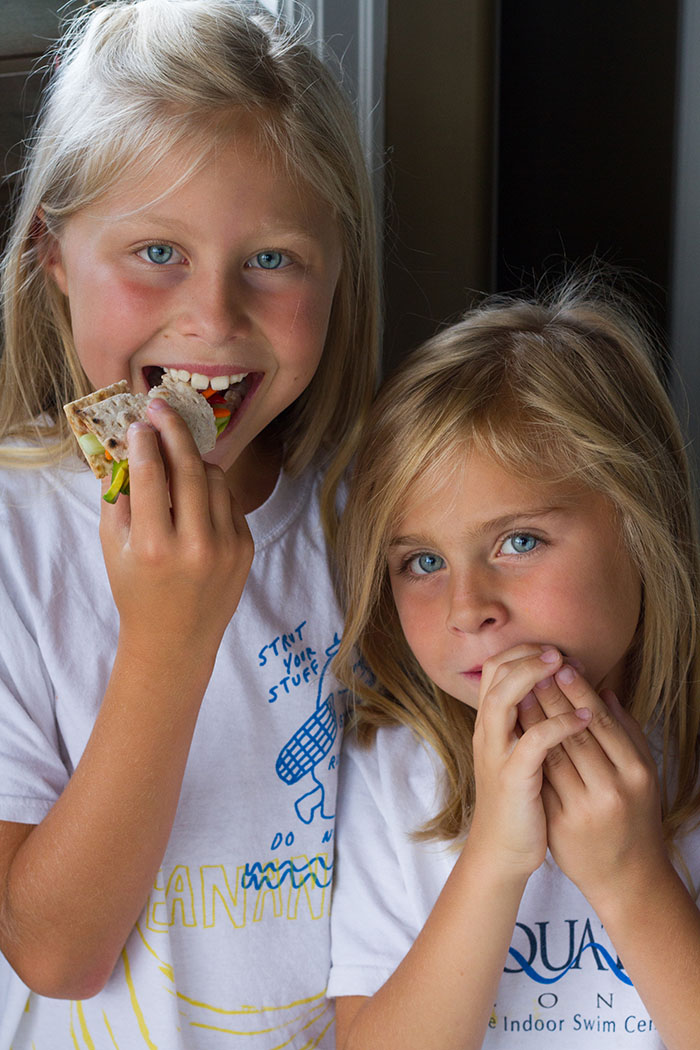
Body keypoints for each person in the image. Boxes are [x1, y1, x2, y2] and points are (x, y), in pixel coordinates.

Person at [0, 0, 379, 1046]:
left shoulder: (386, 524)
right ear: (52, 256)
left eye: (272, 260)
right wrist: (170, 638)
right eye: (157, 250)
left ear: (338, 270)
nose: (213, 318)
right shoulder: (14, 537)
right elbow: (55, 954)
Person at [327, 279, 700, 1049]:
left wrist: (634, 881)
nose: (469, 608)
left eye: (518, 541)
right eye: (422, 561)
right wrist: (494, 859)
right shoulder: (397, 775)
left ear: (640, 523)